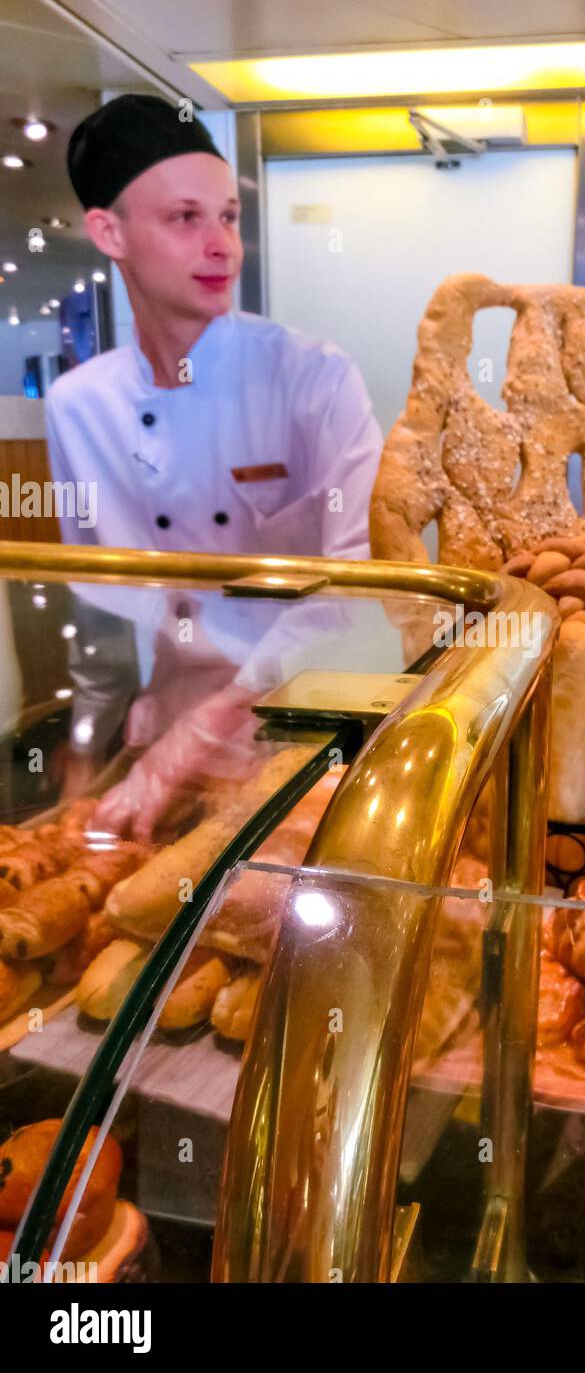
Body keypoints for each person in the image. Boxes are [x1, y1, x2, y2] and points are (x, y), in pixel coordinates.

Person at [44, 95, 385, 835]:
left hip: (301, 742)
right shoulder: (78, 405)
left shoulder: (313, 380)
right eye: (185, 218)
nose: (223, 245)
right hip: (158, 740)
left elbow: (359, 590)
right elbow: (97, 602)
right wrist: (82, 752)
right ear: (109, 232)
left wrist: (205, 732)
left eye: (228, 217)